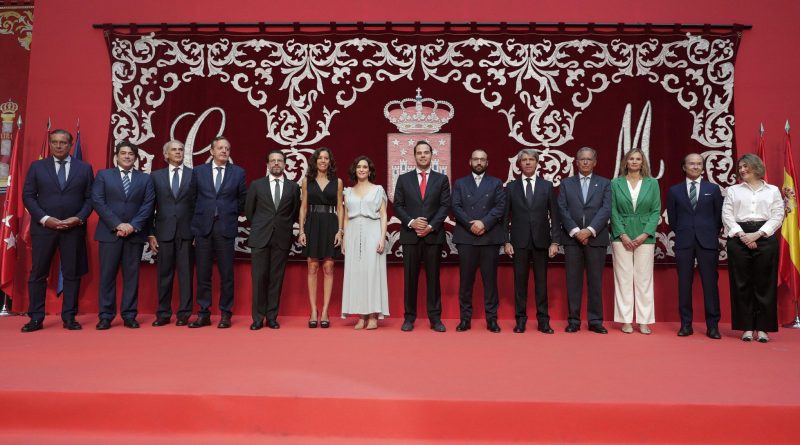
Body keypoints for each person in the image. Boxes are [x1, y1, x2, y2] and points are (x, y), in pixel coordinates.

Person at [20, 129, 94, 332]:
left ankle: (69, 317)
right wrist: (45, 219)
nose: (58, 146)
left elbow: (90, 199)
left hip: (73, 229)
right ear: (50, 144)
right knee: (38, 274)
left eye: (63, 142)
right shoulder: (37, 166)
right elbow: (28, 196)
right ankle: (36, 318)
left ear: (70, 145)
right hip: (44, 228)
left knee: (72, 274)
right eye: (54, 142)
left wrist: (78, 218)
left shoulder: (84, 168)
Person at [92, 140, 155, 330]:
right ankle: (105, 316)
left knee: (131, 277)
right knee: (107, 276)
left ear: (135, 158)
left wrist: (133, 226)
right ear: (116, 156)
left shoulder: (145, 179)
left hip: (134, 235)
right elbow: (98, 201)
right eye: (123, 153)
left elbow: (148, 205)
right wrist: (118, 224)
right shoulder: (103, 175)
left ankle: (129, 315)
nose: (127, 156)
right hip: (110, 233)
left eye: (131, 154)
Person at [722, 154, 784, 343]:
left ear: (757, 168)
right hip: (739, 236)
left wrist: (758, 234)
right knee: (741, 283)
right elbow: (727, 215)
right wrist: (743, 235)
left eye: (746, 167)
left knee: (765, 283)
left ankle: (763, 329)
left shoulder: (772, 190)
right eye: (740, 167)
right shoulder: (733, 190)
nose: (742, 170)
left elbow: (778, 215)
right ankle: (747, 327)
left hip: (765, 236)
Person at [189, 136, 247, 329]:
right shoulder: (198, 172)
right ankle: (203, 313)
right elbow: (192, 199)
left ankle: (225, 314)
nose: (224, 151)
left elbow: (242, 201)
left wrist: (227, 213)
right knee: (203, 273)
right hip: (203, 228)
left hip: (225, 227)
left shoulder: (238, 173)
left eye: (227, 148)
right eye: (220, 148)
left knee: (226, 274)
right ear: (211, 151)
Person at [394, 140, 451, 332]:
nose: (423, 156)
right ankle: (409, 318)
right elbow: (398, 205)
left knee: (433, 279)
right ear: (415, 156)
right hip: (410, 236)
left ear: (431, 155)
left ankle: (435, 319)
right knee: (410, 279)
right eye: (419, 153)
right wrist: (412, 222)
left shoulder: (441, 180)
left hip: (433, 236)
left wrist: (431, 226)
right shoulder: (403, 179)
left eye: (426, 152)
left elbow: (445, 206)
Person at [667, 153, 723, 339]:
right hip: (684, 242)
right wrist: (685, 231)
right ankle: (686, 324)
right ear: (684, 166)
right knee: (684, 284)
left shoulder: (713, 189)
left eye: (699, 164)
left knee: (710, 285)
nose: (696, 167)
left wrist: (707, 232)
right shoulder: (674, 190)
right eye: (692, 164)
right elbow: (673, 220)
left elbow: (718, 218)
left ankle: (713, 326)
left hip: (707, 242)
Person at [504, 149, 560, 334]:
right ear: (519, 164)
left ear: (537, 163)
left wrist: (555, 242)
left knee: (541, 283)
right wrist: (506, 241)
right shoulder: (511, 187)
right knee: (520, 283)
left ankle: (543, 321)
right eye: (524, 160)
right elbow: (505, 217)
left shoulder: (547, 186)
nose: (527, 163)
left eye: (531, 160)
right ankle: (520, 321)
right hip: (519, 242)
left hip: (542, 241)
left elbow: (555, 215)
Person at [557, 147, 611, 334]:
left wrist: (588, 231)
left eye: (589, 159)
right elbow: (561, 209)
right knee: (573, 281)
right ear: (576, 162)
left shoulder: (605, 183)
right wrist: (575, 231)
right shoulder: (566, 183)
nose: (585, 162)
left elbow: (606, 209)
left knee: (595, 281)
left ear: (595, 162)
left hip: (596, 238)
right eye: (582, 159)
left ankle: (595, 321)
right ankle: (574, 320)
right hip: (572, 240)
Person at [451, 149, 506, 333]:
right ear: (470, 162)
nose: (479, 162)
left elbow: (500, 206)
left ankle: (492, 319)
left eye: (482, 159)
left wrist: (484, 222)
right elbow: (455, 206)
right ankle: (465, 319)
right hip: (467, 237)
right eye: (476, 159)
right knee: (466, 282)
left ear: (487, 163)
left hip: (489, 237)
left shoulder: (496, 183)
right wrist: (470, 224)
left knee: (490, 282)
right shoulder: (460, 183)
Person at [246, 149, 301, 330]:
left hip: (281, 238)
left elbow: (294, 212)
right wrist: (263, 226)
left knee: (276, 279)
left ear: (285, 164)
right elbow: (249, 212)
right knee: (259, 278)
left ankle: (271, 317)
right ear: (268, 164)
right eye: (273, 161)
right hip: (260, 238)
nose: (276, 163)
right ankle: (257, 318)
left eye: (279, 160)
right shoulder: (256, 185)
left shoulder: (293, 187)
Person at [610, 149, 661, 334]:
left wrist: (645, 234)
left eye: (638, 159)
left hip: (644, 237)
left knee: (644, 279)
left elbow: (656, 210)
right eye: (631, 158)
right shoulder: (615, 183)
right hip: (620, 236)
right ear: (626, 162)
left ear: (643, 162)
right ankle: (625, 320)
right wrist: (622, 234)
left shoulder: (652, 183)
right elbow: (612, 210)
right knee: (623, 279)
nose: (634, 161)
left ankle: (644, 321)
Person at [148, 140, 196, 327]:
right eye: (174, 150)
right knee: (164, 275)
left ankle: (184, 314)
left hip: (187, 232)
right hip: (163, 232)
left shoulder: (194, 175)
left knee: (186, 275)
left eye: (180, 150)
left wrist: (197, 233)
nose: (178, 152)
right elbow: (149, 206)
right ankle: (163, 313)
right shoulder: (155, 176)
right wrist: (150, 234)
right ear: (165, 154)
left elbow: (197, 205)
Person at [341, 156, 389, 329]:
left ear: (370, 171)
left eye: (365, 167)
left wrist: (382, 238)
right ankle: (361, 315)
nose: (362, 169)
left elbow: (383, 215)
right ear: (355, 170)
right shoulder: (347, 191)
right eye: (359, 167)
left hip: (372, 230)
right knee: (358, 273)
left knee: (372, 272)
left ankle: (374, 315)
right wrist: (345, 239)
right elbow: (346, 217)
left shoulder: (377, 190)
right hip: (353, 233)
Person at [297, 147, 343, 328]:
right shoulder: (306, 181)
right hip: (312, 223)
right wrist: (301, 230)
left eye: (326, 158)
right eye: (320, 158)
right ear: (315, 161)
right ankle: (313, 311)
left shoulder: (337, 182)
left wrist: (340, 230)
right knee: (313, 266)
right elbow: (303, 207)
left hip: (331, 223)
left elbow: (340, 207)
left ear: (330, 161)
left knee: (329, 266)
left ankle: (325, 311)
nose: (323, 161)